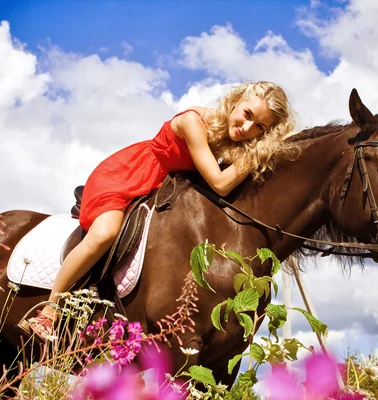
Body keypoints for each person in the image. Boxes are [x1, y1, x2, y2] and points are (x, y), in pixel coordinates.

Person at [27, 81, 296, 340]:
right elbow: (220, 184)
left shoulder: (237, 141)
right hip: (128, 176)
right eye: (247, 114)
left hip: (162, 188)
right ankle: (48, 310)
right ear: (236, 101)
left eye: (259, 127)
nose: (247, 127)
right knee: (104, 234)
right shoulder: (194, 122)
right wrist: (258, 153)